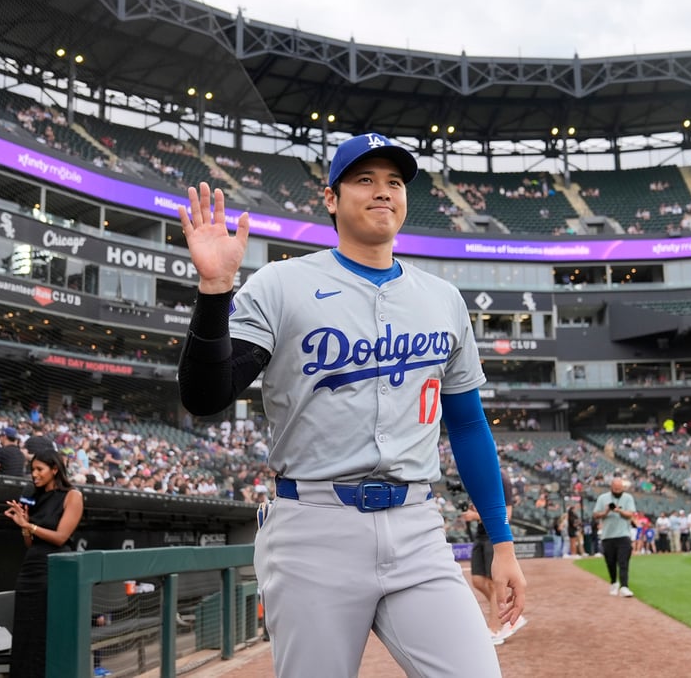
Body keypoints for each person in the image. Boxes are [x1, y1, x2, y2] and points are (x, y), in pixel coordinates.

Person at [177, 132, 526, 677]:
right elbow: (205, 396)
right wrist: (216, 289)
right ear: (331, 198)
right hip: (314, 526)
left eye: (394, 182)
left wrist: (501, 543)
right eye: (364, 179)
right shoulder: (281, 284)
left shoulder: (443, 299)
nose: (382, 191)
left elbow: (469, 423)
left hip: (416, 526)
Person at [3, 447, 84, 677]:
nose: (34, 474)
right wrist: (24, 527)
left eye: (39, 469)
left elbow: (60, 537)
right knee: (25, 631)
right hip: (30, 569)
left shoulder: (72, 496)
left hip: (55, 571)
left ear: (54, 469)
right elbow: (31, 543)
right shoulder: (34, 496)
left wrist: (30, 526)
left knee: (45, 631)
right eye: (32, 470)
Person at [463, 468, 527, 645]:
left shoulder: (501, 477)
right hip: (480, 534)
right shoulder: (476, 476)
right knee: (478, 581)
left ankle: (495, 628)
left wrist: (474, 515)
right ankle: (511, 616)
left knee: (493, 584)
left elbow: (507, 515)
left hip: (494, 536)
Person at [592, 477, 636, 597]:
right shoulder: (603, 498)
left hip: (623, 535)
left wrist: (619, 511)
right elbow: (595, 514)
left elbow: (630, 514)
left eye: (620, 489)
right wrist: (605, 512)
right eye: (616, 489)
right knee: (610, 562)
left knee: (623, 562)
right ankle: (613, 582)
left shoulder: (628, 498)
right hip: (608, 536)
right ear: (611, 487)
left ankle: (624, 586)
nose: (618, 491)